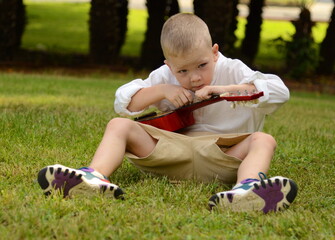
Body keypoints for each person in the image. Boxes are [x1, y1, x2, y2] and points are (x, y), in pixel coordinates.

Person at [37, 13, 297, 213]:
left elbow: (279, 91)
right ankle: (93, 178)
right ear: (168, 64)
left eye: (202, 65)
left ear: (215, 52)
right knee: (119, 125)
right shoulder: (165, 76)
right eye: (182, 71)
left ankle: (247, 190)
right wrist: (163, 90)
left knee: (264, 140)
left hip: (225, 157)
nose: (194, 78)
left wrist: (224, 89)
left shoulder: (232, 68)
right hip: (171, 156)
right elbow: (123, 102)